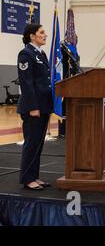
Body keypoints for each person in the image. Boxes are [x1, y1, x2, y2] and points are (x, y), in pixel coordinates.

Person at [17, 24, 53, 190]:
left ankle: (34, 176)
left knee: (38, 144)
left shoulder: (41, 53)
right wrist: (33, 107)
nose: (45, 35)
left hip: (43, 105)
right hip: (33, 106)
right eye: (41, 32)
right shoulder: (26, 54)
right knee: (31, 143)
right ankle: (27, 178)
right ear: (32, 36)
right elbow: (27, 83)